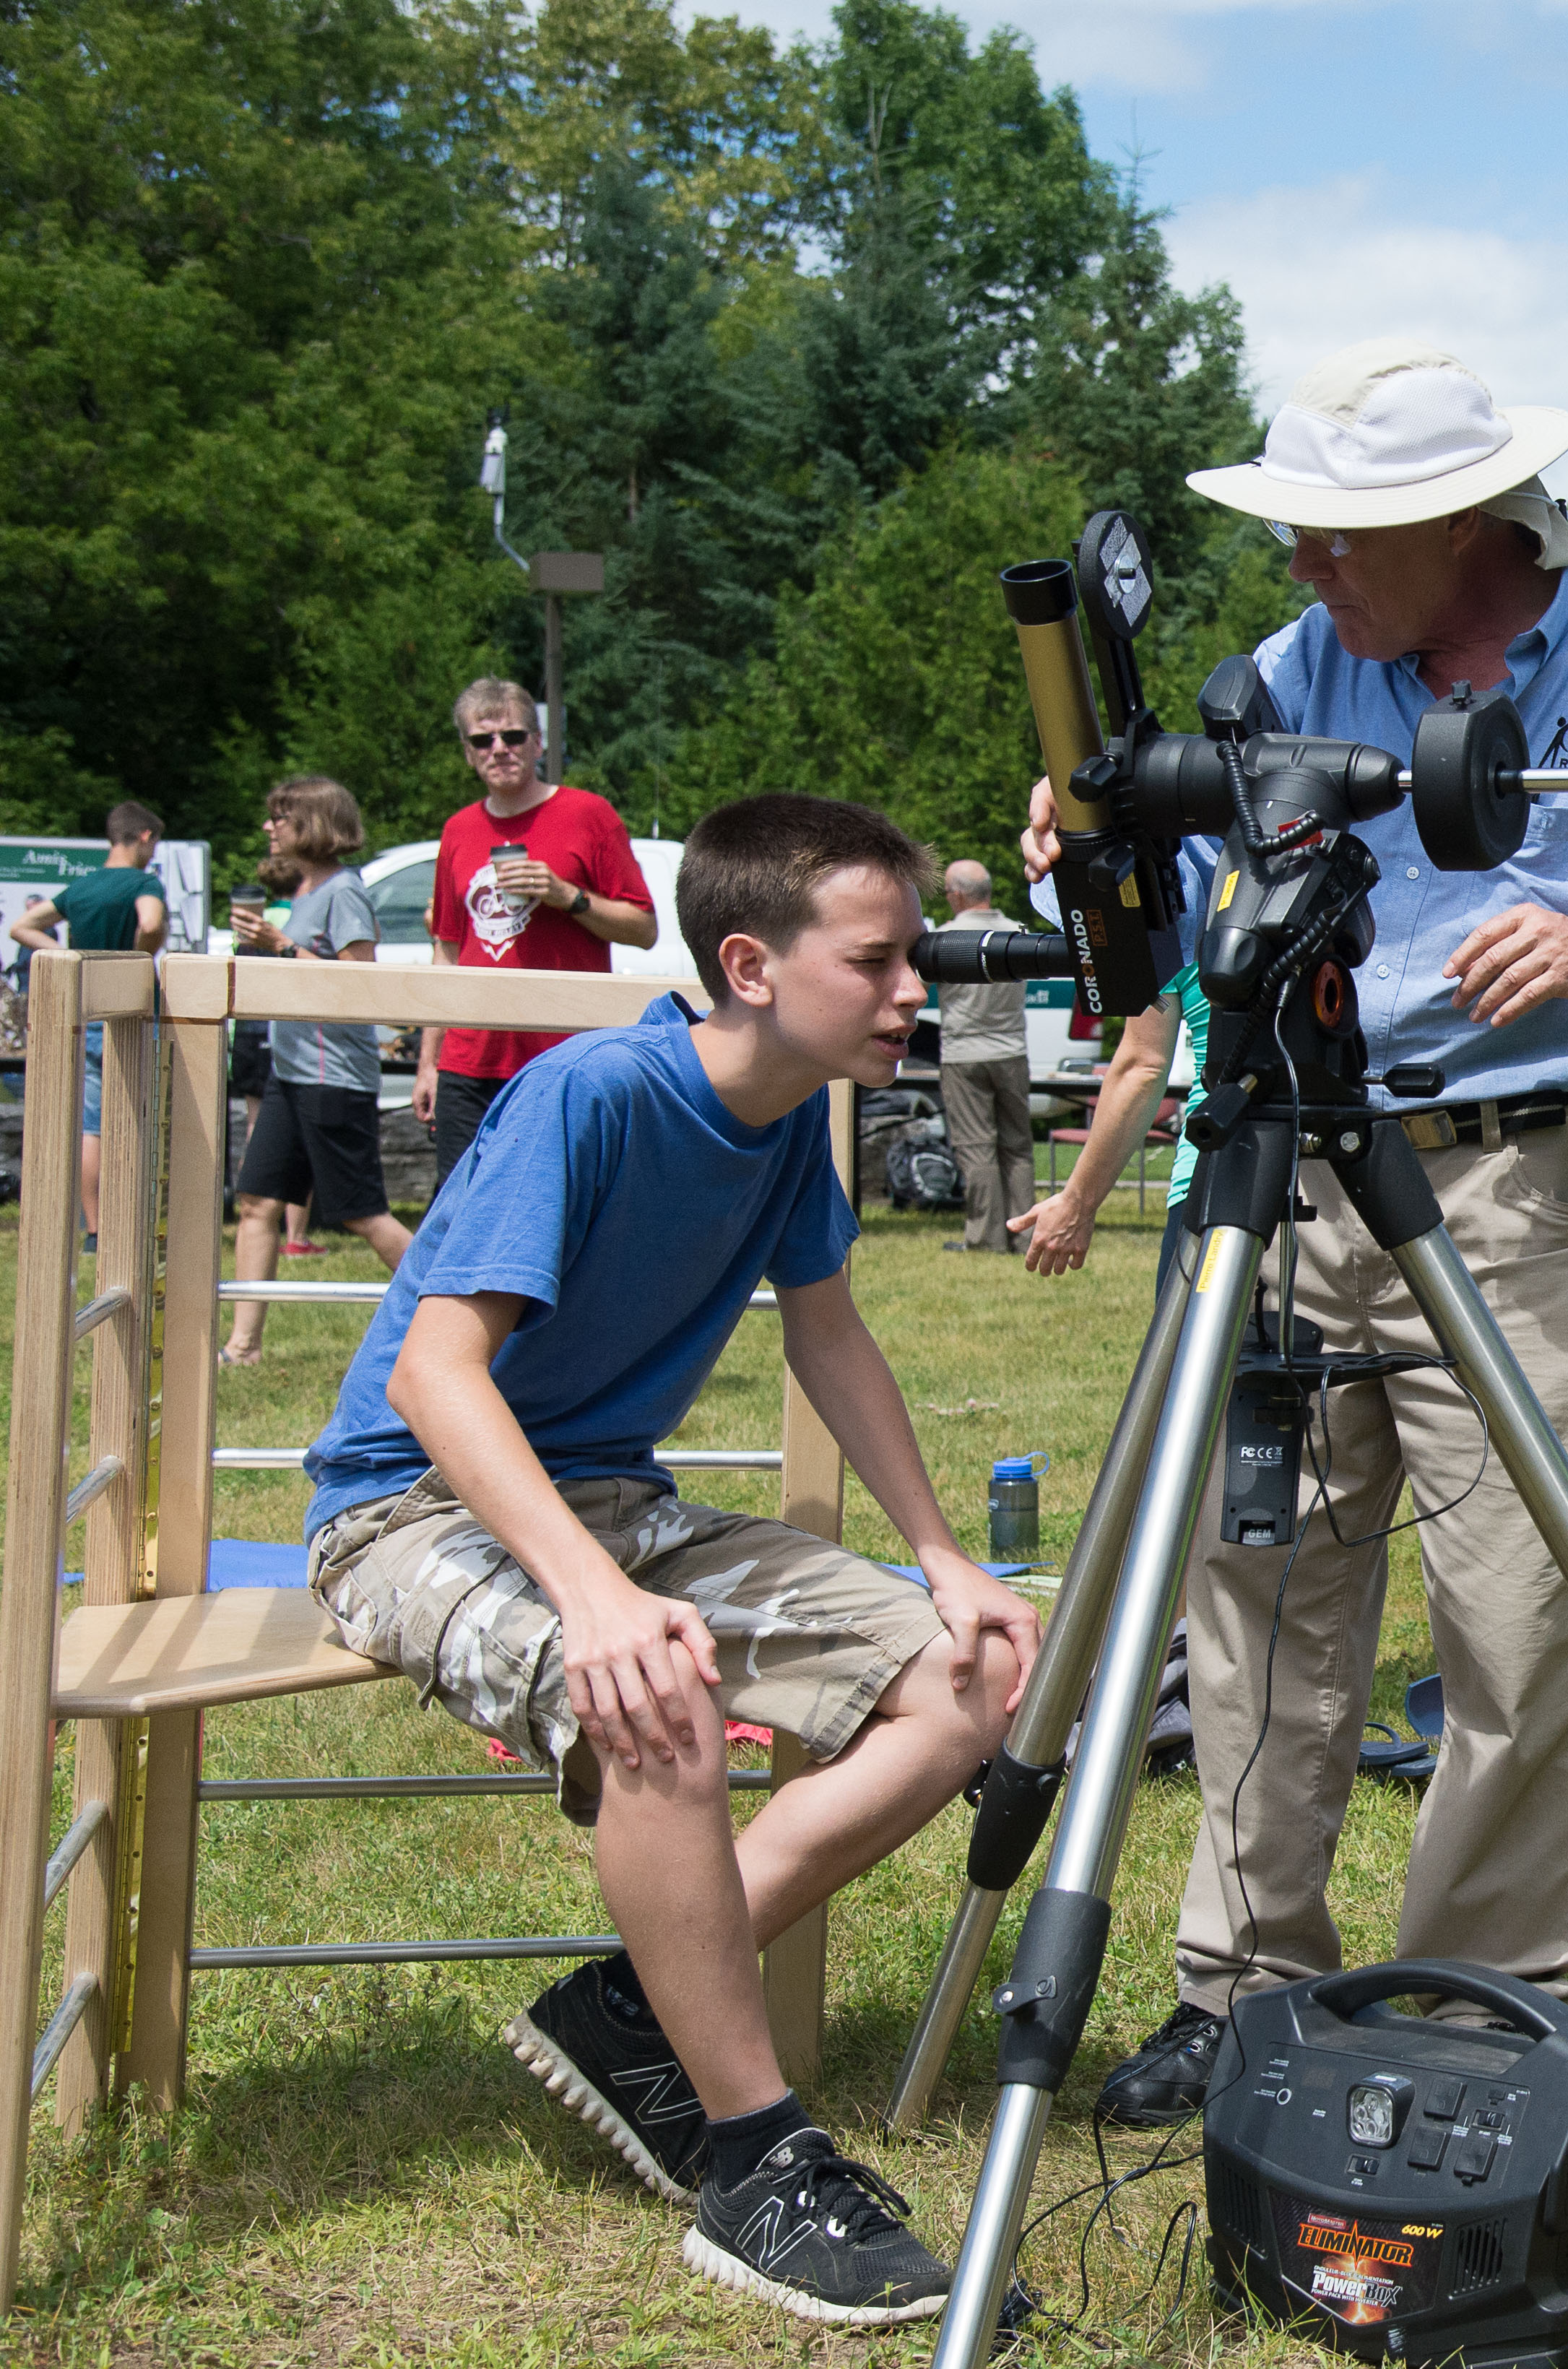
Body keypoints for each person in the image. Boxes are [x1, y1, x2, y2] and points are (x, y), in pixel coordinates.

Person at [1020, 339, 1568, 2127]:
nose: (1302, 565)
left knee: (1522, 1615)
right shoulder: (1289, 667)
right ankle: (1240, 1991)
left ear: (1466, 518)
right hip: (1289, 1171)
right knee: (1257, 1594)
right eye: (1296, 532)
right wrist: (1095, 829)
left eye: (1336, 535)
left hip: (1529, 1188)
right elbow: (1188, 892)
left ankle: (1473, 2007)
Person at [298, 796, 1038, 2325]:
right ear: (751, 965)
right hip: (409, 1510)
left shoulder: (787, 1124)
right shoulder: (594, 1093)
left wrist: (942, 1555)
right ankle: (757, 2163)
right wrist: (594, 1598)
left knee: (976, 1673)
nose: (914, 989)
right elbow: (435, 1376)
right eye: (878, 960)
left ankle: (635, 2011)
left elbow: (830, 1335)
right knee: (658, 1688)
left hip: (613, 1502)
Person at [420, 678, 657, 1186]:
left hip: (562, 1054)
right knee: (459, 1208)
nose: (499, 749)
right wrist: (428, 1062)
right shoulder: (458, 829)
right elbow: (447, 951)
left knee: (556, 1201)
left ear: (538, 743)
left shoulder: (588, 815)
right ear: (468, 753)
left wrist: (566, 895)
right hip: (469, 1059)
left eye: (513, 736)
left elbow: (644, 928)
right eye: (483, 740)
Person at [222, 779, 412, 1363]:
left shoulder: (345, 892)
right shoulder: (306, 891)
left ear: (314, 823)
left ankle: (461, 1312)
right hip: (289, 1072)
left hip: (334, 1076)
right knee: (256, 1203)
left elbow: (358, 983)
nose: (268, 827)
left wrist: (281, 946)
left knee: (362, 1215)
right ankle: (243, 1346)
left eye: (280, 816)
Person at [8, 801, 167, 1231]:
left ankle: (96, 1228)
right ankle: (132, 1220)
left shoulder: (81, 887)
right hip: (136, 1013)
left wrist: (72, 956)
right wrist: (138, 959)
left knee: (92, 1125)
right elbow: (151, 923)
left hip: (88, 1011)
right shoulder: (143, 882)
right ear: (146, 837)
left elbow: (21, 927)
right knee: (139, 1116)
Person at [1013, 959, 1214, 1297]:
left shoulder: (1168, 932)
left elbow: (1143, 1068)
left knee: (1196, 1331)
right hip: (1314, 1165)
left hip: (1212, 1175)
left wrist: (1077, 1203)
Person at [925, 859, 1036, 1253]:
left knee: (976, 1147)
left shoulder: (943, 940)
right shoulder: (1018, 934)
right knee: (1018, 1147)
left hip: (963, 1054)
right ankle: (1025, 1234)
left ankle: (985, 1239)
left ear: (957, 896)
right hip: (1012, 1052)